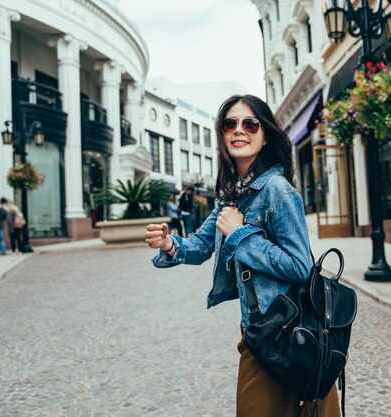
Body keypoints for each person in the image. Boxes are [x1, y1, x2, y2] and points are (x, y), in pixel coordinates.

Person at [145, 94, 341, 417]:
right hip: (259, 334)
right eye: (230, 124)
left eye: (250, 124)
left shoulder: (278, 191)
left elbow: (301, 267)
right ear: (222, 136)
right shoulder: (231, 197)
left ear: (265, 137)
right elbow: (199, 247)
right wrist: (169, 244)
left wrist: (239, 235)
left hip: (289, 333)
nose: (240, 130)